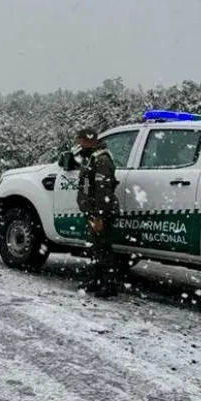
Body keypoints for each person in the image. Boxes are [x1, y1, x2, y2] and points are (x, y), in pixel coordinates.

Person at [74, 127, 122, 298]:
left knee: (104, 248)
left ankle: (109, 285)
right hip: (92, 211)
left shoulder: (102, 160)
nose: (79, 144)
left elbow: (103, 191)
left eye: (81, 140)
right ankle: (95, 280)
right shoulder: (91, 158)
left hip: (101, 212)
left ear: (89, 140)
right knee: (95, 248)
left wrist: (100, 216)